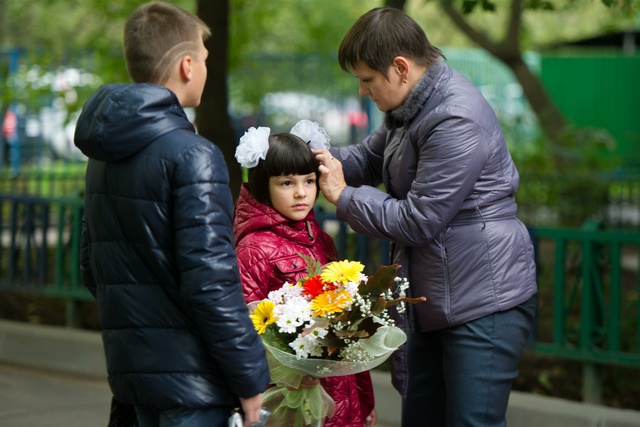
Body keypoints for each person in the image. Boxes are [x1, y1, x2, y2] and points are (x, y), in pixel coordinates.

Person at [313, 7, 538, 427]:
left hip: (483, 302)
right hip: (435, 300)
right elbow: (366, 159)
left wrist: (342, 197)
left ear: (400, 68)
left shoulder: (455, 116)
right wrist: (308, 160)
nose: (363, 91)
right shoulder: (413, 106)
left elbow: (419, 220)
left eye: (367, 80)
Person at [74, 2, 269, 427]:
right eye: (203, 59)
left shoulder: (102, 154)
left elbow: (92, 268)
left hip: (132, 376)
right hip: (193, 383)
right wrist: (251, 377)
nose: (204, 67)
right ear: (186, 65)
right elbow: (211, 281)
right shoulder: (194, 155)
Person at [233, 120, 377, 427]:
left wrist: (365, 400)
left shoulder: (321, 240)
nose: (301, 193)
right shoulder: (254, 249)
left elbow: (348, 326)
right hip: (291, 399)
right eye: (286, 183)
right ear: (262, 185)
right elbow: (249, 334)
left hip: (341, 395)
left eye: (309, 181)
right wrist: (292, 374)